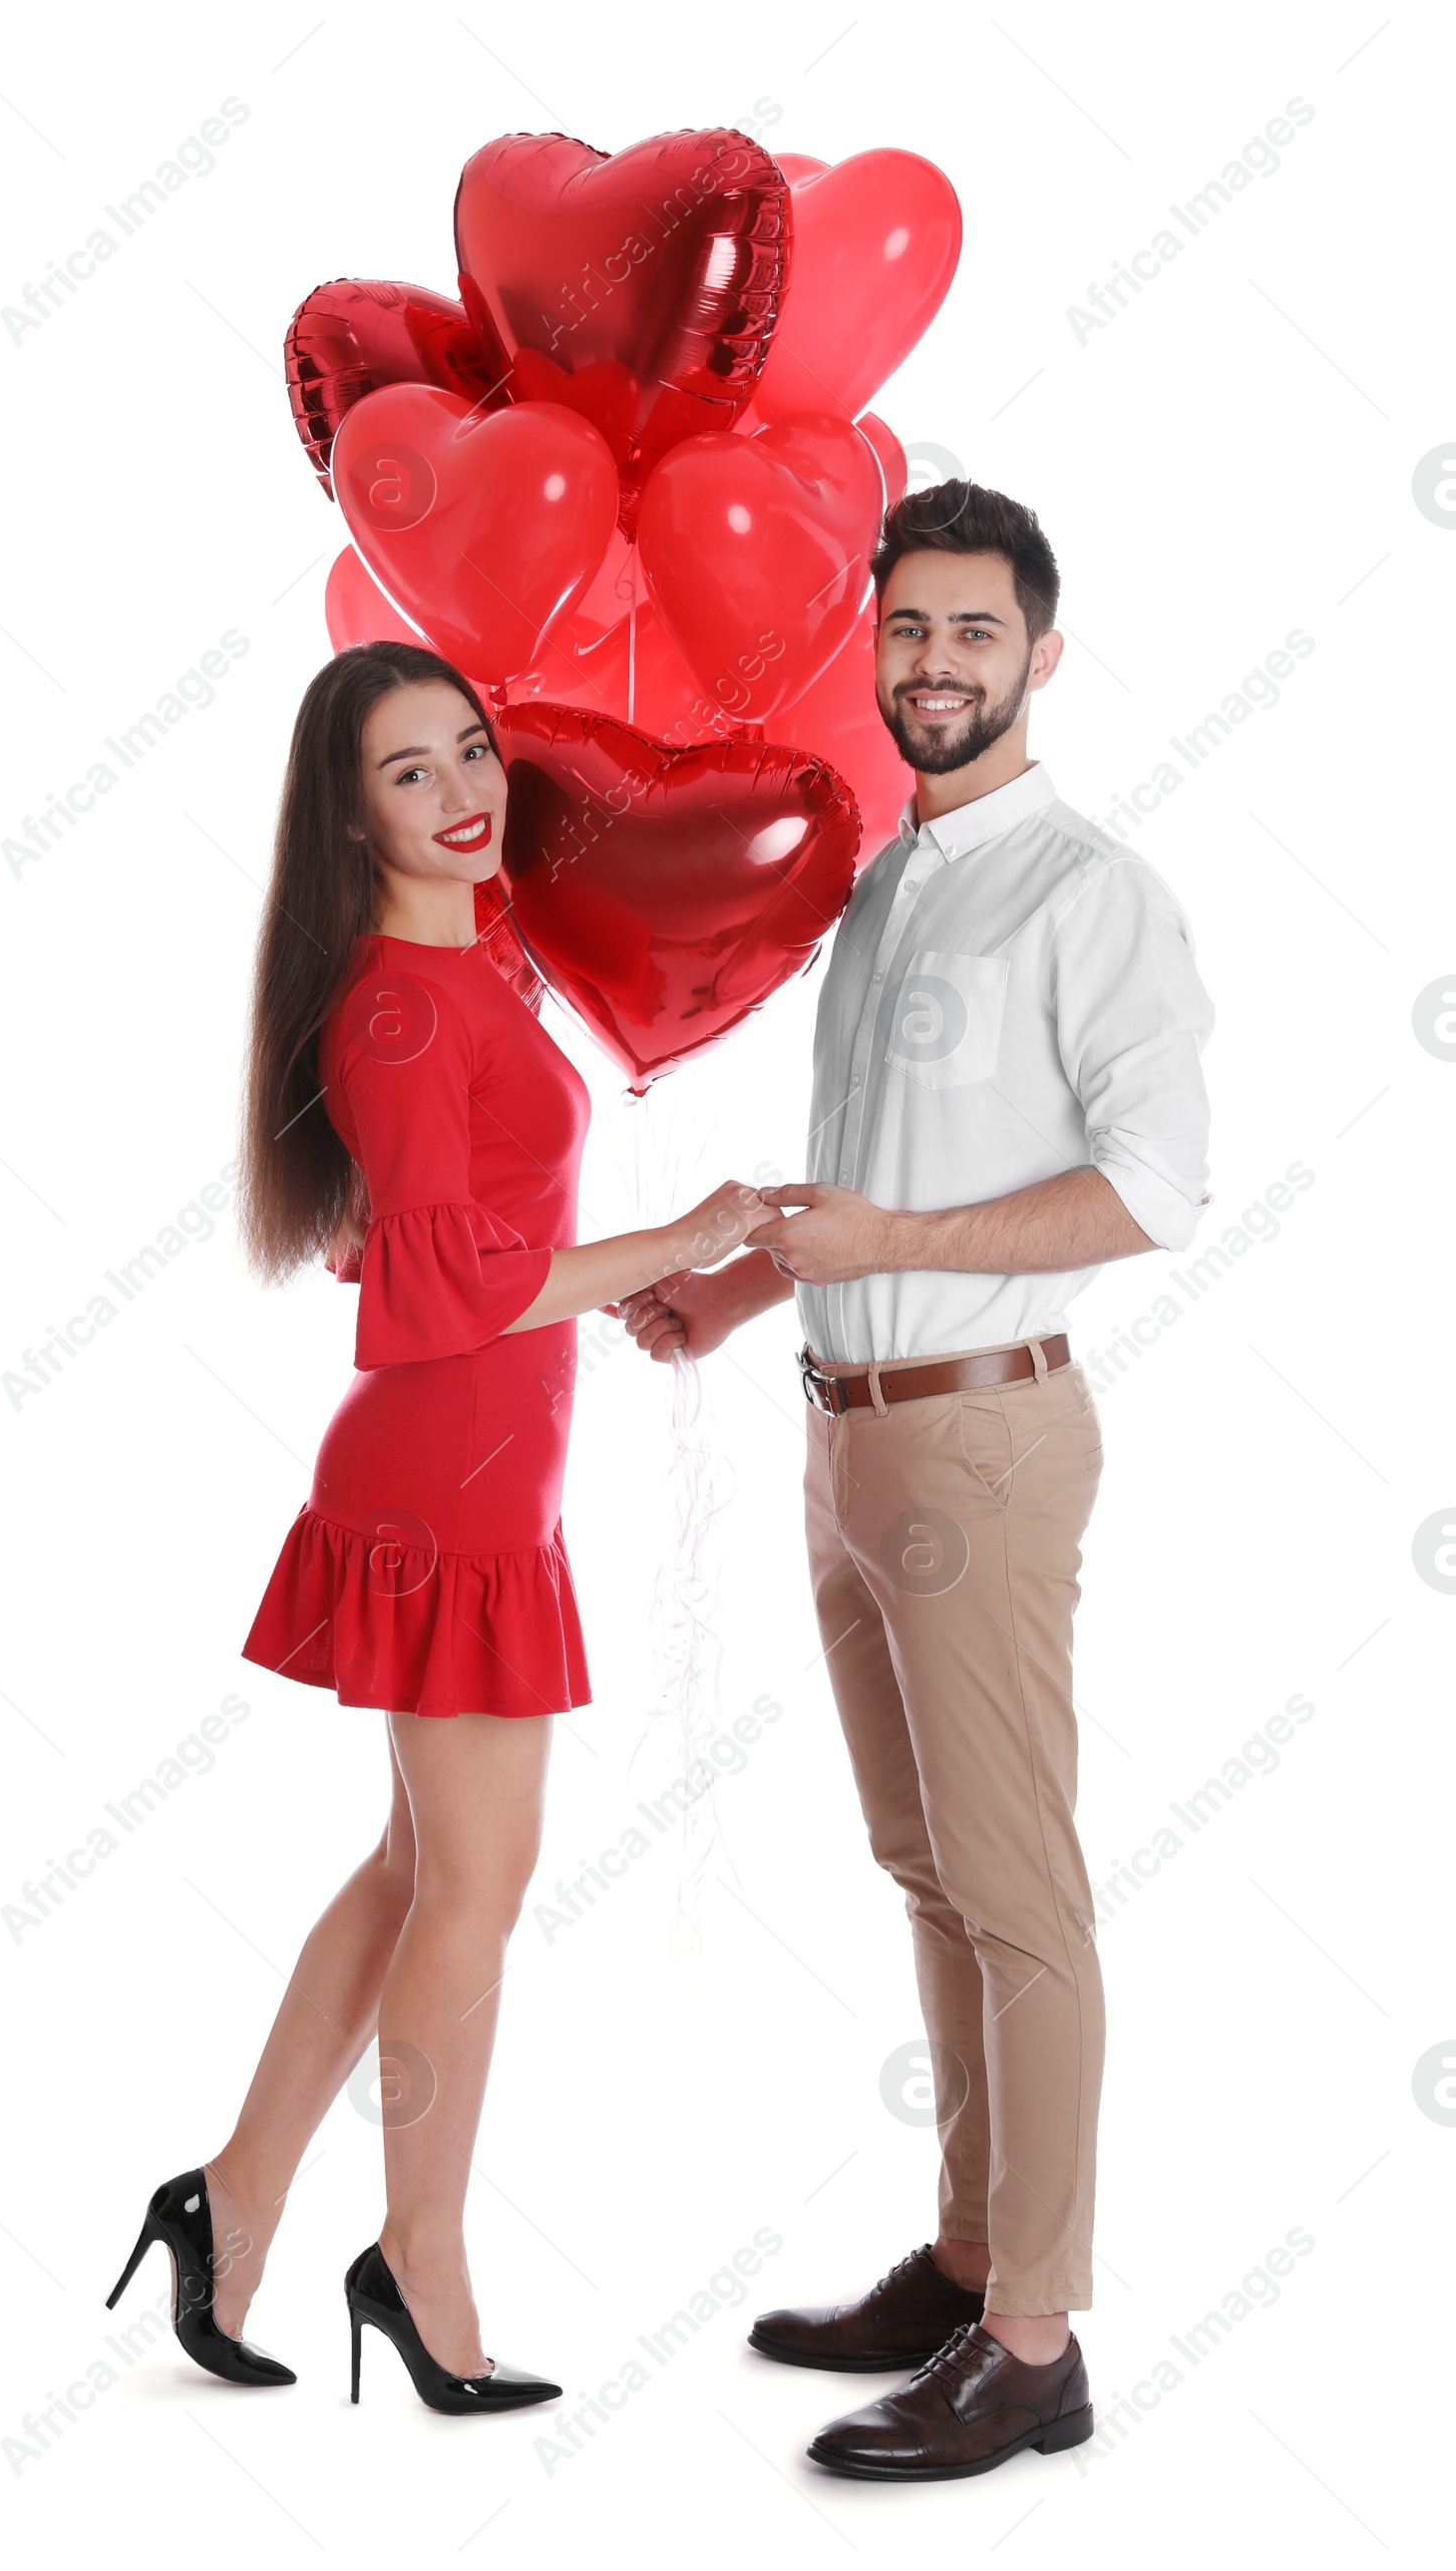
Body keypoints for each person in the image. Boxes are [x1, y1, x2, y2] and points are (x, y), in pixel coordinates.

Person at [618, 482, 1214, 2481]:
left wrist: (884, 1251)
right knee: (925, 1863)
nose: (934, 664)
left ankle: (1032, 2338)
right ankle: (967, 2256)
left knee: (1017, 1888)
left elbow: (1151, 1185)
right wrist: (727, 1294)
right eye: (906, 633)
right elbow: (856, 1175)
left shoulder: (1087, 890)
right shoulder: (885, 881)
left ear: (1041, 652)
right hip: (840, 1424)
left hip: (976, 1423)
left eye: (973, 631)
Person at [106, 641, 762, 2414]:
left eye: (472, 749)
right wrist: (682, 1235)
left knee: (416, 1872)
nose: (466, 789)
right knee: (473, 1883)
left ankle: (232, 2198)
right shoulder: (395, 998)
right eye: (411, 771)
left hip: (488, 1466)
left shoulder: (480, 957)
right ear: (347, 810)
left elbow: (448, 1223)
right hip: (447, 1471)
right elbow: (439, 1287)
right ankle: (420, 2257)